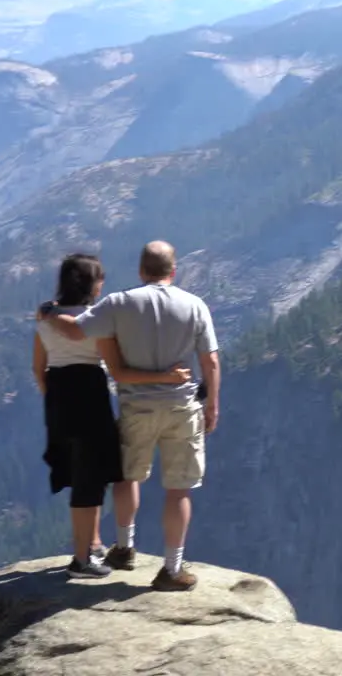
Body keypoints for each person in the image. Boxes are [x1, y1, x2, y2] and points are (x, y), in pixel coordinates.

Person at [40, 241, 220, 592]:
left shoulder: (119, 303)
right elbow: (210, 361)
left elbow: (75, 329)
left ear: (141, 271)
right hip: (182, 407)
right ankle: (172, 568)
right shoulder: (195, 305)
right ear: (174, 270)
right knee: (178, 490)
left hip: (137, 406)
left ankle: (124, 548)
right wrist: (212, 404)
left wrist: (48, 311)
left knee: (127, 478)